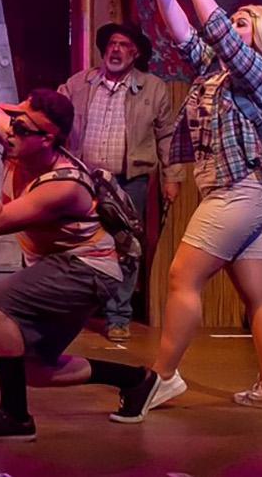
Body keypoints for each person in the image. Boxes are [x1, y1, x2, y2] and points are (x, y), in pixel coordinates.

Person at [112, 0, 262, 421]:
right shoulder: (218, 75)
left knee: (183, 276)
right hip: (240, 192)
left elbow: (216, 31)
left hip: (242, 190)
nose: (232, 23)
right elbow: (185, 34)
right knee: (258, 293)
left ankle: (164, 375)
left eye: (244, 20)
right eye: (234, 17)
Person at [0, 90, 150, 441]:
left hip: (87, 268)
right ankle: (136, 380)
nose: (10, 131)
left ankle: (15, 417)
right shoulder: (22, 135)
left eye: (22, 128)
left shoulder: (64, 185)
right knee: (35, 370)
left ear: (48, 140)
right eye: (12, 121)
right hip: (64, 266)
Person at [56, 22, 179, 342]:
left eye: (124, 45)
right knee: (79, 242)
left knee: (125, 247)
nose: (116, 50)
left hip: (130, 180)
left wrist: (172, 178)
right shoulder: (80, 83)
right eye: (111, 43)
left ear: (135, 53)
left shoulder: (153, 88)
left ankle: (118, 316)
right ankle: (75, 311)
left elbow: (167, 136)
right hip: (84, 179)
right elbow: (54, 116)